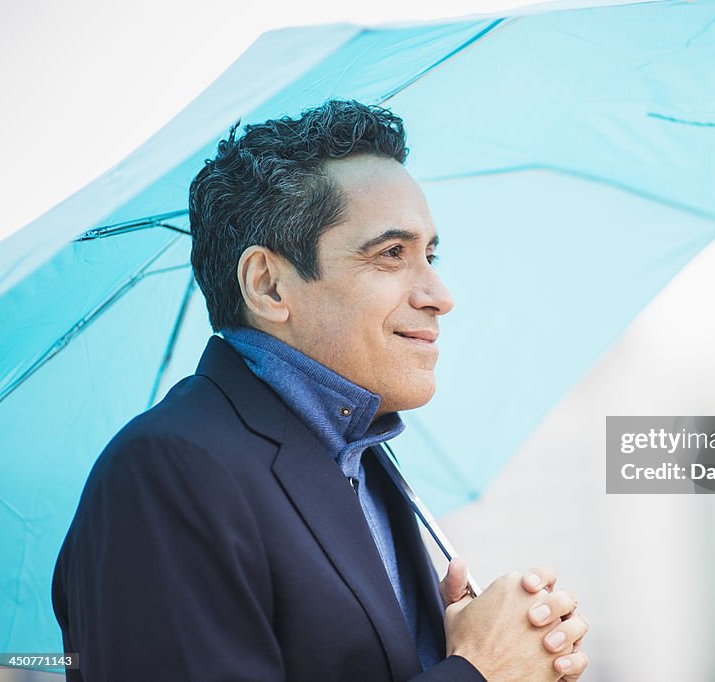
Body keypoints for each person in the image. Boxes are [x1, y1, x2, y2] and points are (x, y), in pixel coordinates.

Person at [51, 100, 589, 681]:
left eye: (430, 254)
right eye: (391, 255)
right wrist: (481, 671)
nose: (439, 293)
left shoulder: (363, 457)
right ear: (268, 285)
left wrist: (440, 650)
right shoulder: (167, 471)